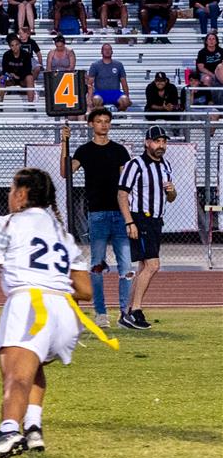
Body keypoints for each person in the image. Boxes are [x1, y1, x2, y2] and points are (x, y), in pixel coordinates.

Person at [0, 168, 97, 458]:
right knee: (33, 365)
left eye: (12, 188)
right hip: (65, 314)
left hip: (30, 306)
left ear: (23, 194)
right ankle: (34, 428)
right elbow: (86, 289)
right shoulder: (62, 232)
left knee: (15, 375)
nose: (9, 194)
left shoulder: (7, 223)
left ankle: (8, 431)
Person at [61, 108, 133, 328]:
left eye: (106, 121)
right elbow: (66, 172)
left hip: (120, 213)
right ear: (91, 124)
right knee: (97, 265)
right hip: (97, 213)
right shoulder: (84, 151)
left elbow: (127, 180)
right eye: (99, 121)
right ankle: (101, 313)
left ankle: (125, 311)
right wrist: (65, 143)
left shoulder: (120, 151)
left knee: (126, 267)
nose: (103, 125)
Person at [117, 126, 177, 330]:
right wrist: (129, 221)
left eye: (163, 142)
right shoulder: (136, 164)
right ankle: (136, 310)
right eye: (157, 141)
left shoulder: (166, 165)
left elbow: (170, 198)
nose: (161, 145)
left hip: (156, 220)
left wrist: (171, 191)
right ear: (147, 142)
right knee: (153, 265)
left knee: (144, 267)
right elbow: (122, 194)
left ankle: (127, 312)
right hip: (141, 218)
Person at [88, 43, 131, 111]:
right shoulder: (95, 65)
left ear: (112, 52)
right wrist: (89, 98)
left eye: (109, 49)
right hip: (100, 93)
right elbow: (89, 84)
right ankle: (104, 114)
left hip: (115, 93)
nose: (107, 51)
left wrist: (127, 96)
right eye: (105, 49)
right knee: (96, 100)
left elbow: (124, 82)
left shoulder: (118, 65)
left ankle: (118, 114)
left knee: (125, 101)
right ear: (101, 52)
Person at [0, 33, 36, 102]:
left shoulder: (26, 54)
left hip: (22, 79)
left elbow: (28, 70)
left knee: (30, 78)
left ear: (20, 45)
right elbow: (4, 70)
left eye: (16, 45)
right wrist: (10, 75)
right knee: (2, 79)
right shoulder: (6, 55)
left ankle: (31, 105)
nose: (15, 47)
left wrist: (18, 76)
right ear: (10, 46)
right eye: (12, 45)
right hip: (11, 79)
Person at [197, 32, 223, 100]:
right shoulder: (202, 52)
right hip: (206, 73)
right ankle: (209, 100)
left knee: (220, 67)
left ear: (216, 41)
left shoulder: (221, 51)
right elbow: (201, 68)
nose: (211, 41)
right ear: (206, 41)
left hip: (219, 72)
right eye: (209, 39)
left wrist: (217, 74)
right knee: (207, 79)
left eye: (213, 39)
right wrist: (212, 74)